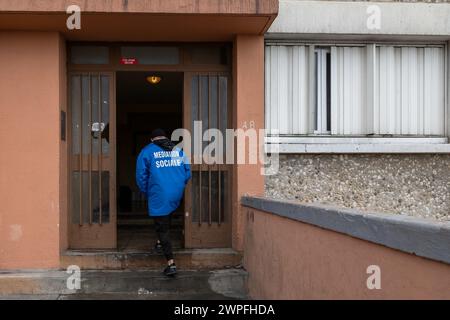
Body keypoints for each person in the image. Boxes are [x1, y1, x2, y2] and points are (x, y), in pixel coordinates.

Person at [136, 129, 191, 276]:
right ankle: (160, 243)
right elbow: (188, 172)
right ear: (165, 137)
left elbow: (141, 176)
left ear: (152, 139)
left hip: (159, 192)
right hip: (176, 192)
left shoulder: (147, 151)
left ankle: (171, 263)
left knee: (162, 227)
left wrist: (147, 191)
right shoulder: (178, 150)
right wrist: (178, 185)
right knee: (167, 215)